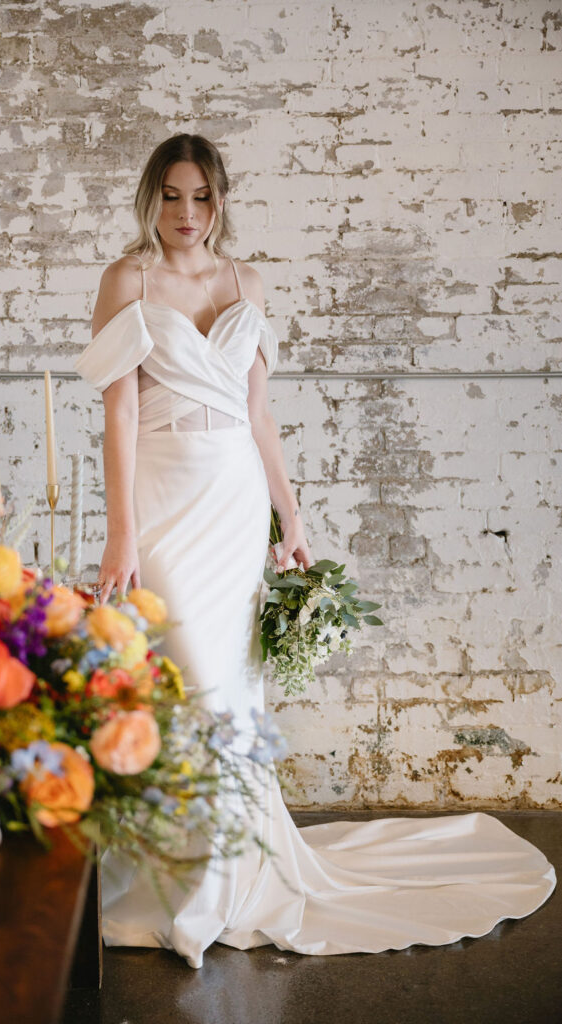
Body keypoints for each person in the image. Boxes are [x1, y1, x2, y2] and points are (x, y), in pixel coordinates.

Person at [74, 133, 556, 970]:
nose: (187, 215)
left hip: (231, 500)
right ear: (150, 197)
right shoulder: (128, 279)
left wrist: (289, 519)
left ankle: (230, 873)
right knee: (179, 674)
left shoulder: (244, 282)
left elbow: (259, 415)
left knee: (231, 682)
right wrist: (120, 532)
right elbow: (117, 414)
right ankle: (174, 875)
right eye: (172, 196)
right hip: (161, 493)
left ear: (221, 200)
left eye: (202, 197)